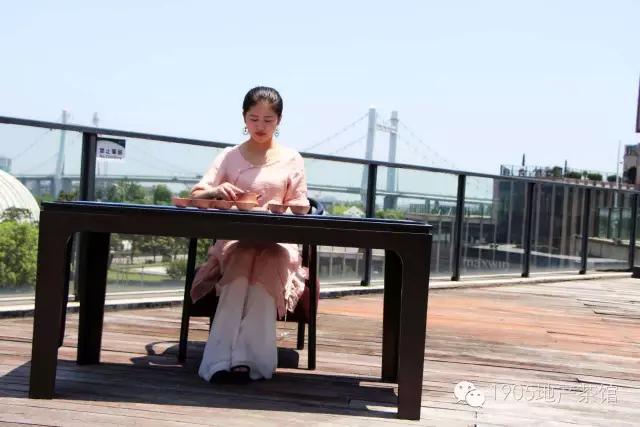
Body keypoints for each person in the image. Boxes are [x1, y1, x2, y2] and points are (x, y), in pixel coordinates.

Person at [189, 86, 309, 384]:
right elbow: (197, 196)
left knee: (269, 263)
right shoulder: (230, 156)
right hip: (236, 238)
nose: (260, 126)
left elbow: (301, 205)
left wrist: (292, 206)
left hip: (278, 240)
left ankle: (250, 361)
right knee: (241, 261)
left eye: (268, 120)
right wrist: (217, 191)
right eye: (254, 119)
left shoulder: (292, 158)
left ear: (279, 121)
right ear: (244, 118)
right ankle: (218, 361)